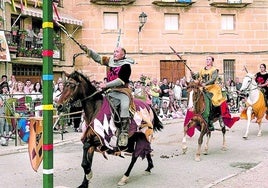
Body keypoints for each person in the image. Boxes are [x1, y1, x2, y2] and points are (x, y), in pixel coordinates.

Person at [81, 45, 134, 149]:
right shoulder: (110, 61)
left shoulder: (126, 65)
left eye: (117, 52)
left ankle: (124, 132)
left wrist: (106, 85)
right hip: (109, 91)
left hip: (122, 91)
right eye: (114, 51)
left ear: (123, 54)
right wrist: (88, 50)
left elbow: (121, 80)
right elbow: (98, 58)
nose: (114, 53)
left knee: (124, 107)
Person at [191, 56, 239, 131]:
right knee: (196, 96)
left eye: (209, 59)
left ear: (212, 61)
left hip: (213, 88)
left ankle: (217, 115)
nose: (207, 61)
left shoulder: (214, 70)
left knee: (214, 100)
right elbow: (196, 77)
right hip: (203, 88)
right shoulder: (201, 70)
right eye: (206, 59)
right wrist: (192, 74)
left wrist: (205, 84)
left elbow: (213, 80)